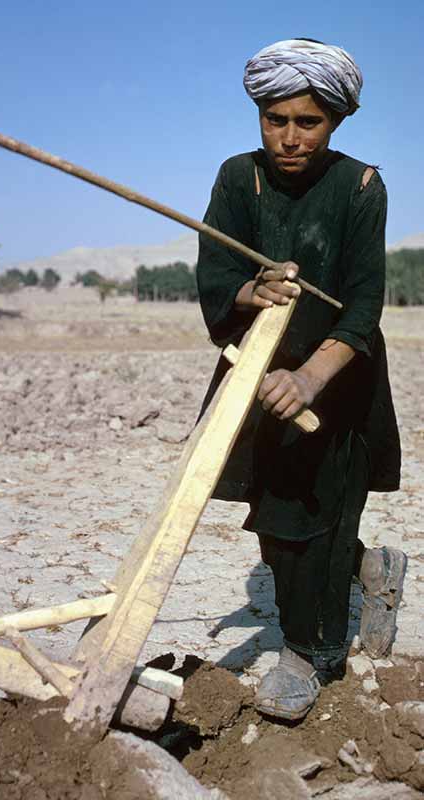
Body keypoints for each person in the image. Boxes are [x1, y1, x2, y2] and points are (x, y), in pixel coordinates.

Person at [196, 38, 407, 721]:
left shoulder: (360, 187)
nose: (288, 137)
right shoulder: (237, 179)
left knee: (308, 514)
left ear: (336, 121)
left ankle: (304, 652)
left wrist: (313, 376)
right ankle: (370, 568)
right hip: (252, 373)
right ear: (257, 114)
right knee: (274, 514)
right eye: (274, 119)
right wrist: (252, 292)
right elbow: (215, 279)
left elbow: (365, 301)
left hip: (336, 378)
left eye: (306, 122)